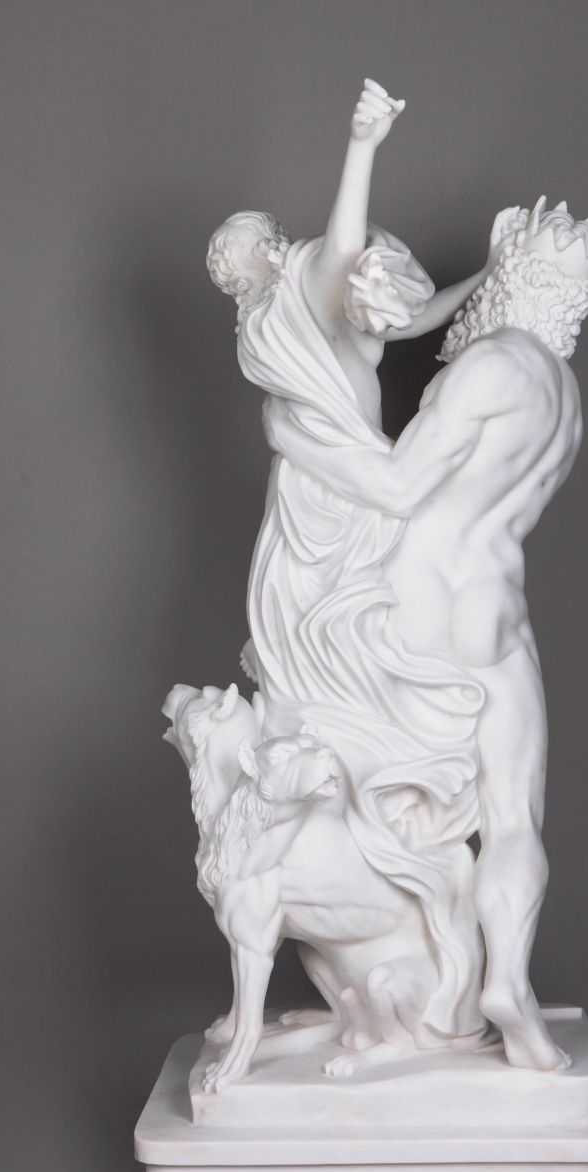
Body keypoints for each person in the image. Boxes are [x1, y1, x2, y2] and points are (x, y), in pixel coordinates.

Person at [266, 197, 588, 1070]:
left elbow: (395, 487)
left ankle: (398, 976)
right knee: (511, 817)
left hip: (422, 605)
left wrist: (290, 434)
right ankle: (504, 984)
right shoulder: (562, 393)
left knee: (373, 785)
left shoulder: (490, 365)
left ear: (512, 278)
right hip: (499, 608)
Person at [205, 81, 509, 1053]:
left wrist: (363, 144)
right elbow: (351, 269)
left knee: (364, 663)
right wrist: (361, 143)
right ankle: (338, 875)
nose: (240, 264)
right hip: (308, 515)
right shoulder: (277, 321)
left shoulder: (316, 299)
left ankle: (388, 859)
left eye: (245, 248)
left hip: (340, 508)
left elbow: (372, 280)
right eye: (234, 259)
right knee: (306, 678)